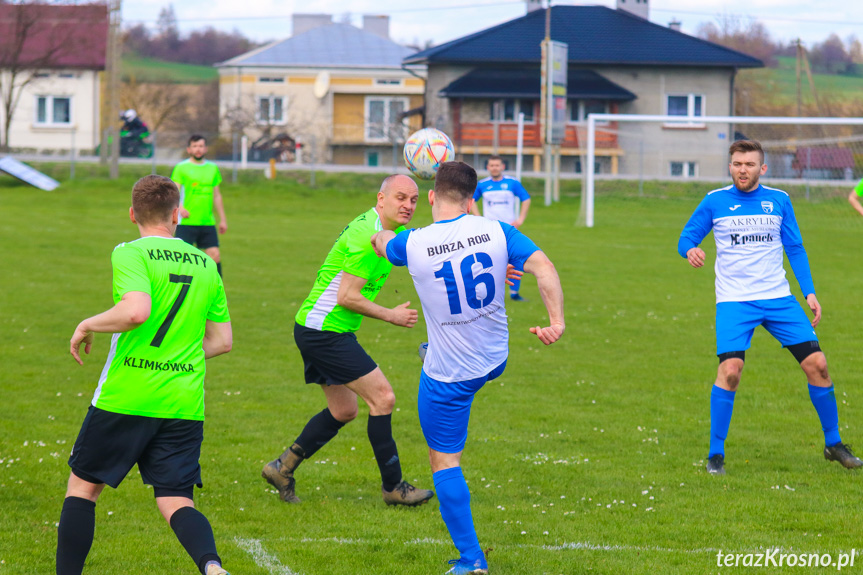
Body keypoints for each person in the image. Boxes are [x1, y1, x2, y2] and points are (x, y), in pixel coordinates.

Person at [372, 161, 565, 575]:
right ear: (472, 199)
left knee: (444, 461)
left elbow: (382, 243)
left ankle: (471, 560)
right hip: (494, 357)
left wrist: (380, 230)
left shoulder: (415, 243)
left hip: (450, 376)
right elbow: (545, 268)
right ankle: (433, 345)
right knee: (443, 344)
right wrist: (556, 323)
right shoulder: (497, 231)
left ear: (430, 197)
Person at [57, 175, 233, 575]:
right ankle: (212, 567)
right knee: (176, 499)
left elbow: (136, 311)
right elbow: (222, 340)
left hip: (128, 395)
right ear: (177, 214)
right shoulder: (206, 262)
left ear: (133, 213)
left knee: (83, 490)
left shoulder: (130, 251)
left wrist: (87, 323)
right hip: (183, 400)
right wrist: (180, 355)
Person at [678, 139, 862, 476]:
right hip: (734, 301)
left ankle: (833, 443)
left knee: (818, 365)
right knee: (731, 372)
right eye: (737, 164)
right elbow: (685, 238)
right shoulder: (714, 202)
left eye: (749, 164)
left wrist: (809, 293)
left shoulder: (779, 201)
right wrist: (690, 249)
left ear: (762, 168)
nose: (742, 170)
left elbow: (794, 247)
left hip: (779, 300)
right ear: (730, 167)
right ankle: (715, 455)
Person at [261, 174, 434, 507]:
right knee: (383, 398)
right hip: (324, 331)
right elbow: (347, 297)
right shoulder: (366, 238)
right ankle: (393, 487)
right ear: (380, 197)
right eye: (400, 197)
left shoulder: (384, 231)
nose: (408, 205)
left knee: (343, 410)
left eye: (413, 200)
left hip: (318, 327)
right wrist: (392, 315)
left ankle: (281, 468)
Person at [469, 155, 531, 301]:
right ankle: (484, 291)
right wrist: (478, 217)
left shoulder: (512, 183)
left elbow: (526, 198)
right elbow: (471, 200)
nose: (494, 168)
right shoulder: (482, 185)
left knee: (514, 259)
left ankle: (514, 293)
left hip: (509, 229)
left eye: (497, 165)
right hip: (489, 230)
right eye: (492, 165)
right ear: (488, 168)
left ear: (502, 167)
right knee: (486, 260)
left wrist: (520, 219)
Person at [172, 135, 227, 276]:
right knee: (183, 261)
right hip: (186, 222)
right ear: (189, 149)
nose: (198, 149)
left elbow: (217, 195)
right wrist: (180, 207)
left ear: (206, 149)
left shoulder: (212, 168)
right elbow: (174, 192)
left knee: (215, 256)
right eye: (195, 146)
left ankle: (216, 293)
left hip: (207, 222)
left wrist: (223, 219)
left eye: (201, 146)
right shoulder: (181, 168)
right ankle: (182, 293)